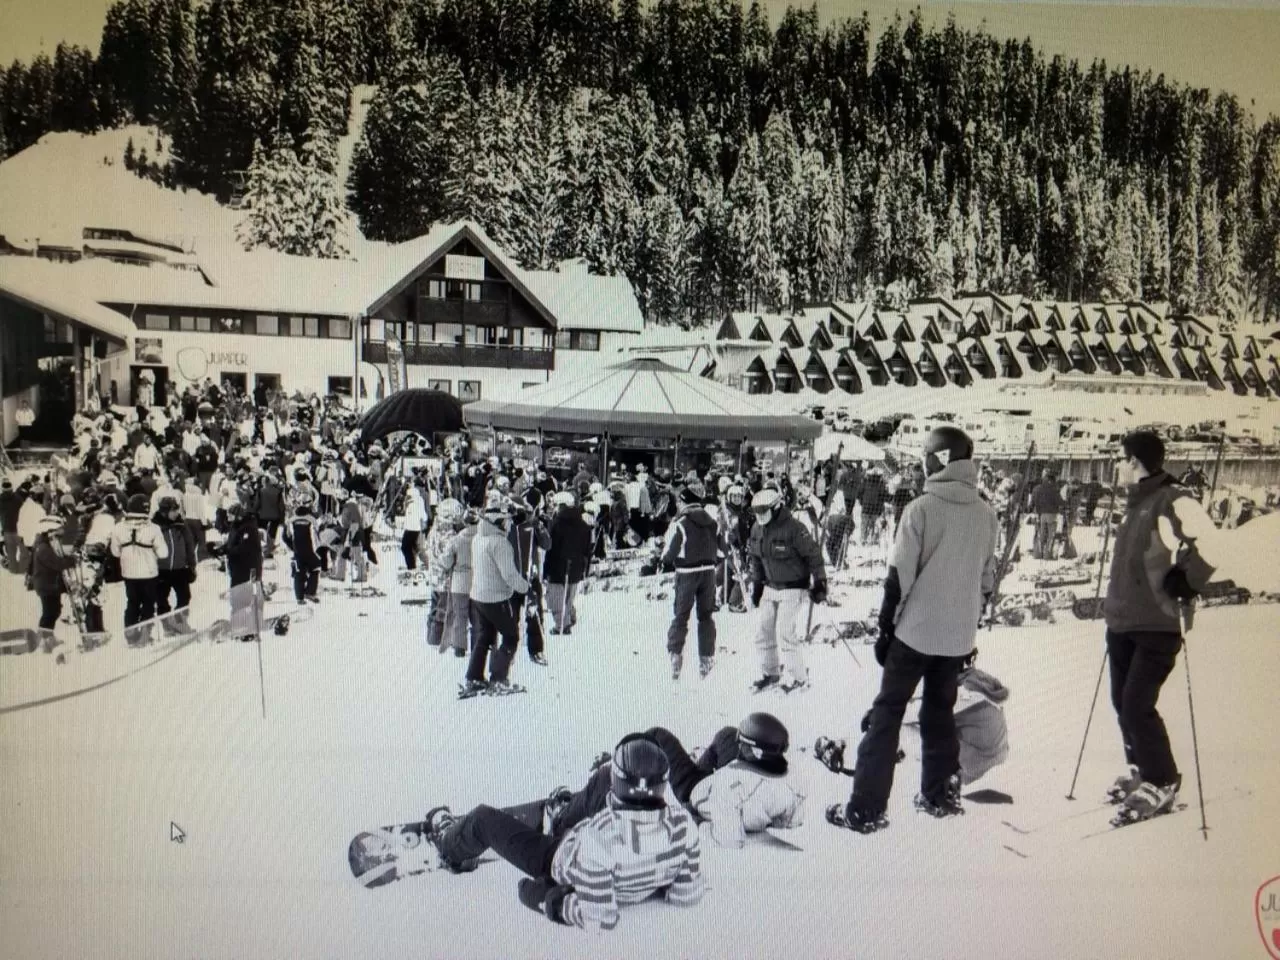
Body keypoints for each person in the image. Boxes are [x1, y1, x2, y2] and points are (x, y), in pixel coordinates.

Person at [829, 426, 998, 834]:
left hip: (915, 633)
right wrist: (968, 621)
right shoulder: (986, 512)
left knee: (888, 713)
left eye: (927, 453)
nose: (922, 459)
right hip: (957, 638)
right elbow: (987, 579)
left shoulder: (921, 508)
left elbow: (899, 577)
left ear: (940, 459)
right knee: (940, 712)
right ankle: (941, 793)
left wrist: (886, 627)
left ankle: (866, 808)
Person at [422, 736, 704, 931]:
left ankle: (449, 845)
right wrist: (651, 872)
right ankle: (561, 815)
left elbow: (599, 919)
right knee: (601, 779)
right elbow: (686, 895)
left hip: (558, 860)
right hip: (604, 843)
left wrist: (549, 900)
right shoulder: (682, 826)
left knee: (482, 818)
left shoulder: (600, 841)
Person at [1102, 431, 1217, 822]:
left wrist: (1188, 580)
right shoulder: (1137, 503)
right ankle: (1143, 773)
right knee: (1122, 703)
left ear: (1134, 461)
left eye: (1119, 459)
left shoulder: (1173, 498)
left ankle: (1162, 781)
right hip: (1122, 621)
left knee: (1136, 705)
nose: (1115, 466)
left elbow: (1214, 543)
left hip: (1156, 623)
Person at [746, 485, 827, 692]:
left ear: (776, 507)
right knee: (763, 632)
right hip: (770, 588)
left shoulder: (794, 528)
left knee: (785, 632)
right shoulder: (757, 529)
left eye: (764, 512)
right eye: (757, 513)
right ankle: (771, 672)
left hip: (793, 587)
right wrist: (756, 585)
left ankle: (798, 677)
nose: (760, 517)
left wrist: (820, 582)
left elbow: (813, 555)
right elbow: (756, 558)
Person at [462, 495, 530, 696]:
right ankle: (498, 678)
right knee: (511, 636)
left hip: (478, 595)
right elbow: (509, 574)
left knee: (485, 635)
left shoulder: (478, 538)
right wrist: (525, 587)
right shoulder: (500, 543)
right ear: (498, 521)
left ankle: (474, 676)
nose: (509, 524)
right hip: (497, 597)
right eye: (507, 520)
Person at [661, 483, 722, 680]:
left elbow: (669, 554)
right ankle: (706, 659)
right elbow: (723, 551)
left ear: (684, 502)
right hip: (709, 573)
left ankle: (675, 655)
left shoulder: (680, 523)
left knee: (681, 615)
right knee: (706, 616)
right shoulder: (713, 522)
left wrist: (666, 561)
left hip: (687, 573)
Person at [109, 493, 169, 647]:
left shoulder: (118, 528)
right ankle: (144, 635)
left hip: (129, 572)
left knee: (132, 603)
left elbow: (115, 552)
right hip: (149, 573)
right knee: (148, 604)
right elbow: (163, 553)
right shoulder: (154, 529)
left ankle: (130, 634)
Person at [543, 491, 592, 636]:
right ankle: (568, 617)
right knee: (569, 597)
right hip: (576, 567)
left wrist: (546, 570)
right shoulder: (583, 524)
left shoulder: (557, 523)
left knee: (555, 598)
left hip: (557, 566)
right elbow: (587, 549)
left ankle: (562, 625)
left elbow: (551, 547)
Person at [154, 496, 198, 634]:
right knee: (161, 599)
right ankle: (167, 626)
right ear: (164, 511)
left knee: (185, 596)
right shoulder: (155, 527)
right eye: (173, 510)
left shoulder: (181, 525)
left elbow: (189, 545)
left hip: (180, 568)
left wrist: (191, 566)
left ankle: (180, 622)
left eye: (177, 510)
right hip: (161, 569)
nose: (176, 513)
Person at [30, 515, 77, 643]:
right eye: (57, 530)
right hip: (46, 585)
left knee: (54, 610)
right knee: (50, 612)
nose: (59, 533)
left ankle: (47, 637)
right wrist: (72, 560)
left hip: (50, 583)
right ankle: (44, 639)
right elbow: (57, 563)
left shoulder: (46, 543)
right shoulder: (43, 548)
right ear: (49, 530)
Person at [282, 492, 322, 604]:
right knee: (316, 568)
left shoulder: (291, 519)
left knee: (299, 573)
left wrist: (293, 546)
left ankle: (299, 597)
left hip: (297, 551)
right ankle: (310, 591)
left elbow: (285, 536)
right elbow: (317, 535)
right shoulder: (311, 519)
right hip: (310, 549)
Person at [1030, 468, 1063, 560]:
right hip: (1051, 514)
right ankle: (1047, 555)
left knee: (1040, 534)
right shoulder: (1054, 489)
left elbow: (1033, 502)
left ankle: (1037, 553)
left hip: (1040, 514)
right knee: (1050, 536)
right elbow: (1059, 501)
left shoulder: (1038, 488)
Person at [401, 480, 428, 570]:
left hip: (410, 528)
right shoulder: (419, 500)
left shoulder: (411, 502)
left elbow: (406, 513)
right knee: (414, 547)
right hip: (416, 528)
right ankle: (424, 562)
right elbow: (423, 515)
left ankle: (411, 566)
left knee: (405, 547)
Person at [1, 477, 22, 572]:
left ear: (2, 488)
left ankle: (13, 566)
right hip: (19, 527)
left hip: (7, 527)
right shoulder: (18, 498)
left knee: (11, 549)